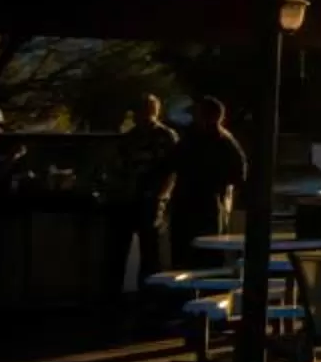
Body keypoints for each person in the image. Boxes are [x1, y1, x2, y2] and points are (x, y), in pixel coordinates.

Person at [106, 95, 179, 299]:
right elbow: (118, 167)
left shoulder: (165, 137)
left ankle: (149, 296)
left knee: (150, 253)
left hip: (151, 200)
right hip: (127, 200)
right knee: (119, 251)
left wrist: (161, 195)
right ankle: (116, 295)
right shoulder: (129, 138)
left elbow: (172, 170)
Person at [168, 96, 248, 270]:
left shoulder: (222, 142)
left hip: (209, 204)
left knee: (208, 251)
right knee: (185, 253)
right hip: (187, 202)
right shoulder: (191, 139)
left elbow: (238, 174)